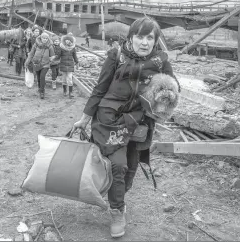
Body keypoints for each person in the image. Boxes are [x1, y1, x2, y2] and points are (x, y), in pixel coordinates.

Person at [71, 17, 181, 238]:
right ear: (131, 37)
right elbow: (100, 88)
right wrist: (84, 118)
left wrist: (164, 100)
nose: (144, 42)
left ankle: (116, 194)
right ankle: (117, 211)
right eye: (139, 36)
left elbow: (174, 90)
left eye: (149, 38)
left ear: (155, 40)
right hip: (110, 120)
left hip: (139, 122)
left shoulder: (161, 62)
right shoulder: (116, 56)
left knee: (130, 168)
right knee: (117, 166)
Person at [25, 32, 55, 99]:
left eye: (46, 38)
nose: (45, 39)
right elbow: (31, 54)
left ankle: (42, 92)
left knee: (42, 76)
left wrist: (50, 60)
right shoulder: (36, 45)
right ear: (41, 38)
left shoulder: (50, 46)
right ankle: (39, 88)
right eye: (43, 38)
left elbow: (52, 56)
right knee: (38, 77)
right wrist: (27, 62)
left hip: (45, 64)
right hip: (36, 63)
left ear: (48, 39)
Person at [53, 33, 78, 98]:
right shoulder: (61, 47)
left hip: (70, 65)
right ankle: (64, 91)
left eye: (68, 40)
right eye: (66, 40)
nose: (67, 41)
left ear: (71, 41)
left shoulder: (73, 48)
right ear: (64, 40)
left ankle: (70, 92)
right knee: (64, 79)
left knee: (70, 78)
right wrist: (53, 58)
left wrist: (77, 62)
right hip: (63, 64)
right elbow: (58, 56)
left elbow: (75, 56)